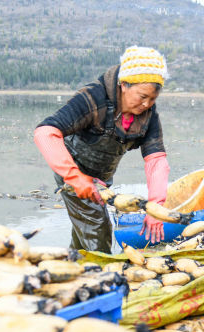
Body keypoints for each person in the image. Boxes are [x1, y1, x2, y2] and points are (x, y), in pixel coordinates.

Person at [34, 46, 171, 252]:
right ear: (124, 84)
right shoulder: (92, 98)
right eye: (142, 96)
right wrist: (74, 177)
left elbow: (156, 160)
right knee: (98, 230)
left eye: (152, 99)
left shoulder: (148, 115)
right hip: (72, 172)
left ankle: (77, 266)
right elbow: (45, 132)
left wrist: (155, 207)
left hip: (101, 179)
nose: (147, 104)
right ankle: (100, 277)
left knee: (86, 228)